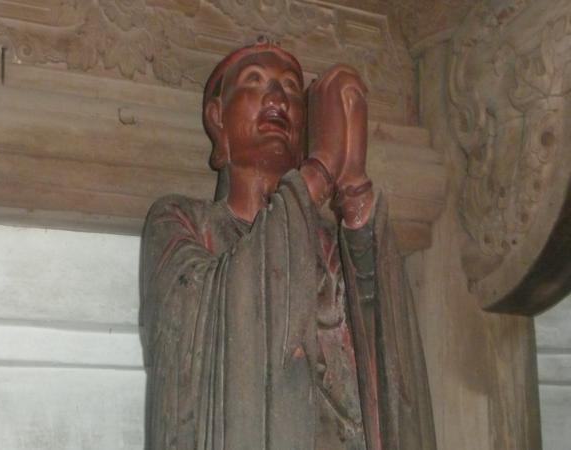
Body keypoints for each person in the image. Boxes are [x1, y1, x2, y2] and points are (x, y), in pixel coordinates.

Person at [140, 39, 436, 450]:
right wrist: (319, 172)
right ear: (217, 117)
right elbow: (202, 329)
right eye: (255, 80)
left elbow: (389, 362)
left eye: (292, 89)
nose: (278, 97)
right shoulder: (181, 221)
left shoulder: (334, 247)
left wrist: (353, 189)